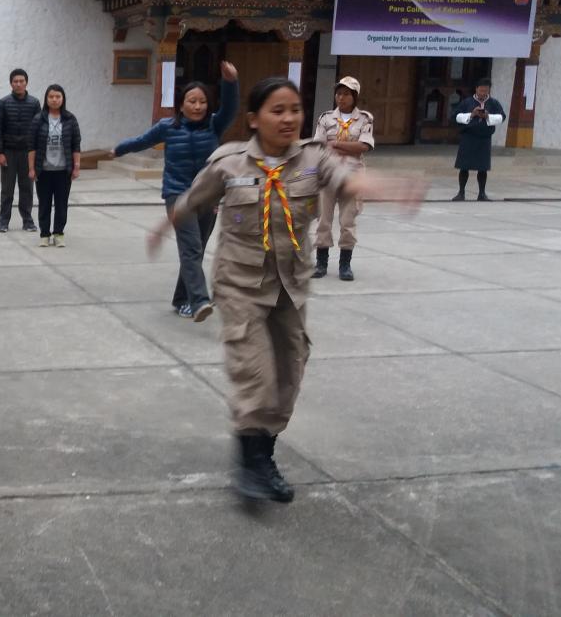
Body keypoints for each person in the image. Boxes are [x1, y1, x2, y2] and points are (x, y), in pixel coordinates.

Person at [146, 77, 424, 504]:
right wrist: (165, 226)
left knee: (288, 373)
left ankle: (263, 455)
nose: (289, 118)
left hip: (290, 286)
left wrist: (391, 188)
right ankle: (250, 465)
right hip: (240, 284)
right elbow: (193, 199)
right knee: (254, 371)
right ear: (254, 119)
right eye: (277, 110)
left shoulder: (314, 160)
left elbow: (348, 183)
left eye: (294, 109)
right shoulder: (229, 162)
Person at [116, 61, 239, 322]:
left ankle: (181, 298)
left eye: (202, 102)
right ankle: (199, 301)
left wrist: (231, 83)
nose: (197, 106)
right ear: (181, 104)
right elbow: (142, 141)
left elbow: (230, 108)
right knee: (191, 247)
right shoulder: (168, 126)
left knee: (196, 248)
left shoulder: (214, 125)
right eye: (191, 101)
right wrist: (118, 149)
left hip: (207, 195)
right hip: (177, 193)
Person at [312, 76, 374, 281]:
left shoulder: (364, 119)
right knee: (323, 219)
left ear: (355, 96)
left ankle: (345, 265)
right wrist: (348, 146)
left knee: (348, 220)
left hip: (352, 175)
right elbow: (318, 146)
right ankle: (321, 263)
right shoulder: (326, 118)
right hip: (328, 173)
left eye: (346, 94)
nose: (341, 97)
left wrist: (336, 145)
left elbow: (363, 147)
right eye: (339, 93)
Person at [28, 84, 81, 247]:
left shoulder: (70, 119)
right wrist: (31, 168)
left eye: (58, 96)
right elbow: (32, 146)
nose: (54, 99)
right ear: (46, 99)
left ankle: (58, 233)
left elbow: (76, 144)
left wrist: (76, 166)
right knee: (44, 204)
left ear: (62, 99)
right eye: (51, 97)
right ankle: (44, 234)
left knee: (61, 204)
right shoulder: (39, 119)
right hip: (43, 170)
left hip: (63, 171)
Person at [0, 69, 41, 233]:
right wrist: (0, 153)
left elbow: (38, 130)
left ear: (26, 83)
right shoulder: (3, 103)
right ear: (11, 83)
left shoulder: (34, 103)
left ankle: (28, 221)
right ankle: (4, 221)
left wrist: (36, 153)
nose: (19, 84)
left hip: (27, 153)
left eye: (22, 81)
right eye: (15, 81)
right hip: (8, 152)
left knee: (27, 188)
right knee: (7, 189)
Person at [452, 77, 505, 202]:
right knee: (464, 167)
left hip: (484, 138)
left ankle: (482, 193)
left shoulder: (493, 103)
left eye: (485, 91)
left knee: (483, 168)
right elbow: (455, 116)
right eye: (481, 91)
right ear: (476, 89)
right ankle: (461, 193)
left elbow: (502, 117)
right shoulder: (467, 102)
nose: (483, 93)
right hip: (468, 137)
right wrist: (472, 114)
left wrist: (488, 116)